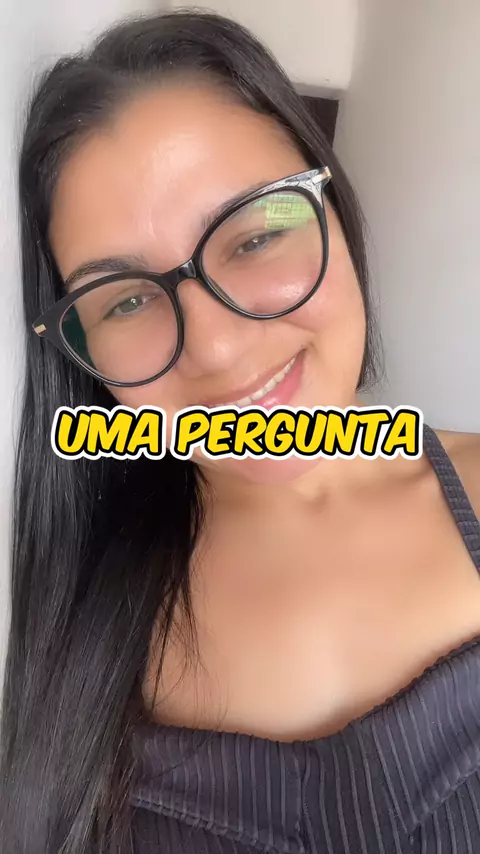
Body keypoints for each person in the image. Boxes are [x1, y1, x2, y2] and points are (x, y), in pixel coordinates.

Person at [1, 9, 480, 854]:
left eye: (255, 236)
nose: (217, 350)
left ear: (335, 205)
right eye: (126, 300)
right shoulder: (74, 607)